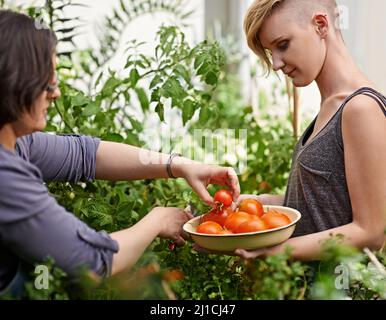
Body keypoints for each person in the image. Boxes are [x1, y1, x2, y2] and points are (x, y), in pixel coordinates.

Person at [0, 10, 240, 297]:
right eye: (48, 83)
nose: (56, 94)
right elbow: (89, 261)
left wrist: (180, 165)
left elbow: (86, 155)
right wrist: (158, 220)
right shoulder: (5, 176)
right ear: (15, 84)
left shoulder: (17, 143)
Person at [196, 0, 386, 260]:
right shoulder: (330, 108)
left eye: (282, 45)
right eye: (270, 51)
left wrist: (275, 251)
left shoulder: (360, 109)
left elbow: (371, 232)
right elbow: (317, 208)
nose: (275, 63)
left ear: (320, 25)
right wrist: (248, 206)